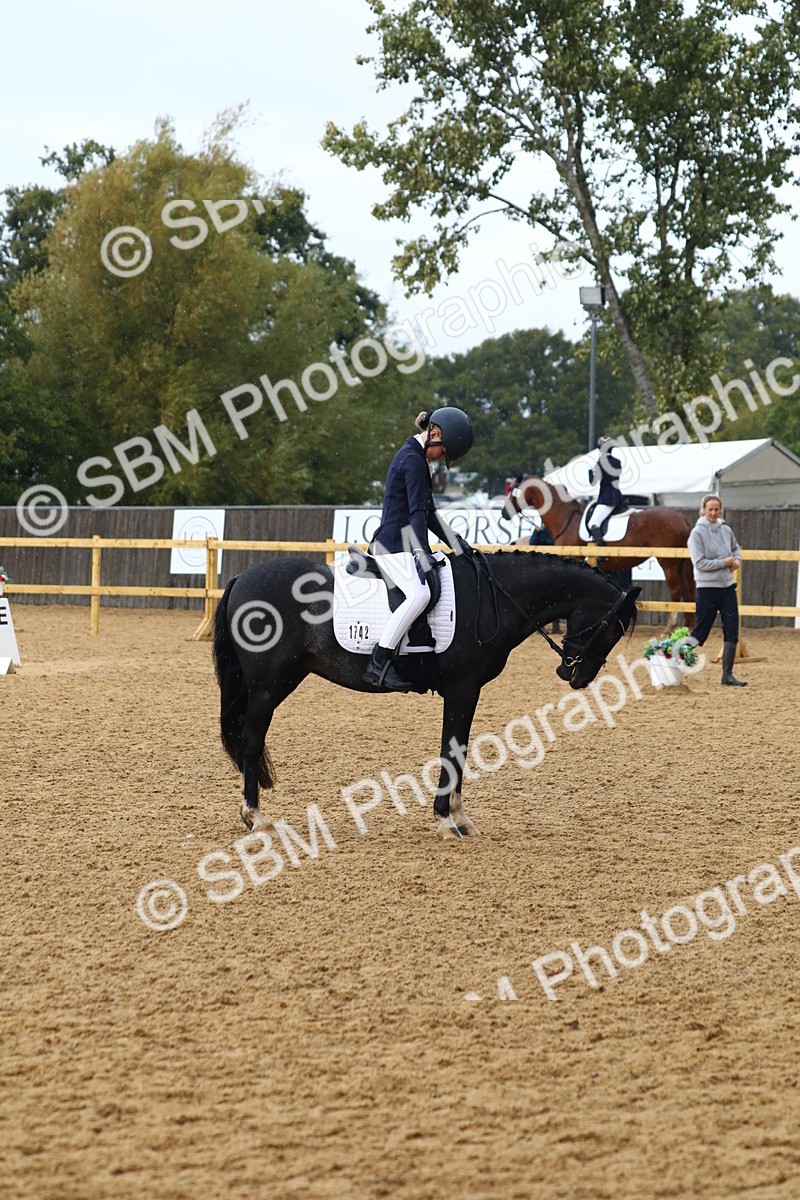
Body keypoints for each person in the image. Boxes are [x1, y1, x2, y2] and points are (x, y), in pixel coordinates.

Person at [363, 407, 475, 691]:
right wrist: (422, 554)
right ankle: (379, 660)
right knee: (419, 594)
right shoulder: (412, 460)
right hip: (391, 545)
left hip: (403, 542)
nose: (441, 460)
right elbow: (416, 514)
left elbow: (430, 512)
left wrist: (456, 543)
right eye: (444, 453)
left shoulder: (420, 456)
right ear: (434, 436)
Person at [687, 494, 747, 687]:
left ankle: (727, 675)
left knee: (732, 630)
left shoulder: (726, 530)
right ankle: (671, 659)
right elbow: (699, 563)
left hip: (727, 587)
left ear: (720, 509)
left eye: (716, 509)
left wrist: (736, 560)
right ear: (703, 510)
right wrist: (724, 562)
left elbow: (736, 549)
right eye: (710, 509)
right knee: (701, 632)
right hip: (707, 588)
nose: (713, 512)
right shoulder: (697, 534)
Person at [587, 436, 623, 544]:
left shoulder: (600, 462)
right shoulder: (617, 462)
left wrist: (590, 472)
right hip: (618, 497)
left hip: (606, 499)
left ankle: (601, 550)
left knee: (592, 524)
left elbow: (593, 482)